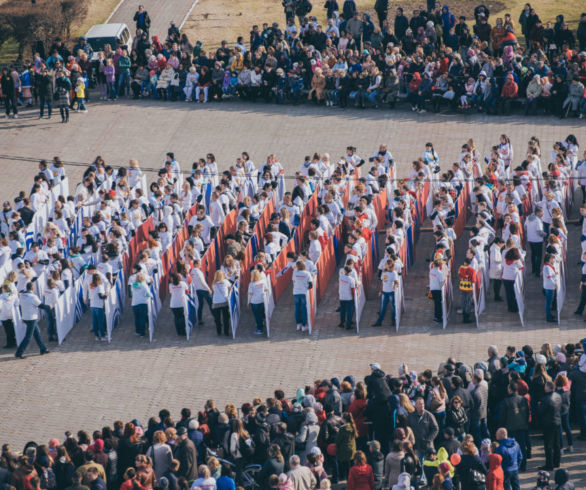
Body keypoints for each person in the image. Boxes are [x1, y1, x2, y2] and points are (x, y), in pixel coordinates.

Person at [15, 282, 50, 359]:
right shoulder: (33, 297)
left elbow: (19, 304)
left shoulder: (22, 295)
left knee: (37, 333)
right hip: (31, 318)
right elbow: (41, 305)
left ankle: (43, 349)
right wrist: (49, 306)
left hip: (25, 317)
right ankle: (19, 352)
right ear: (32, 288)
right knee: (28, 337)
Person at [539, 381, 562, 471]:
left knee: (548, 445)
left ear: (548, 388)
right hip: (557, 421)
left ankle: (549, 464)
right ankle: (557, 462)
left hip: (548, 423)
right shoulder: (558, 396)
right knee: (557, 443)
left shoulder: (545, 399)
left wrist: (539, 406)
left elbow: (540, 412)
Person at [292, 260, 312, 333]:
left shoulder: (294, 272)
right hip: (303, 293)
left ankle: (298, 324)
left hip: (296, 292)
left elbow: (293, 281)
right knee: (304, 309)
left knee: (297, 308)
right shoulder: (307, 273)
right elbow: (310, 285)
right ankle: (304, 325)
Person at [88, 273, 108, 341]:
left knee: (95, 321)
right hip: (99, 306)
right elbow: (101, 296)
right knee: (100, 322)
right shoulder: (99, 286)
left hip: (92, 305)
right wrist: (106, 295)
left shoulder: (91, 286)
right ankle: (102, 336)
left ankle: (96, 336)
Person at [211, 270, 231, 337]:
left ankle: (218, 331)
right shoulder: (225, 281)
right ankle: (226, 332)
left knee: (217, 318)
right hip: (224, 301)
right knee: (226, 317)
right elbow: (230, 287)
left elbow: (214, 291)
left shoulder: (214, 283)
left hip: (216, 302)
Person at [248, 269, 267, 335]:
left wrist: (248, 302)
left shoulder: (251, 284)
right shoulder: (263, 281)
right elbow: (266, 289)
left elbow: (250, 294)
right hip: (262, 300)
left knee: (257, 316)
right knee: (261, 314)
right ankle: (262, 323)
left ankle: (260, 329)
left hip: (254, 302)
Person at [338, 265, 356, 330]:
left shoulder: (340, 277)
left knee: (342, 310)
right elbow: (353, 289)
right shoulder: (351, 279)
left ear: (345, 271)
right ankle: (348, 324)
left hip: (342, 296)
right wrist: (354, 298)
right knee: (349, 311)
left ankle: (342, 323)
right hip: (348, 297)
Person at [429, 258, 445, 324]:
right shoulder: (440, 273)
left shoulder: (431, 271)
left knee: (436, 304)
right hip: (438, 290)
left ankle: (436, 317)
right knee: (438, 304)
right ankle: (438, 318)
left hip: (432, 289)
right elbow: (441, 283)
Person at [542, 254, 558, 323]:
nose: (554, 260)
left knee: (549, 302)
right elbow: (549, 277)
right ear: (550, 259)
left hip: (549, 286)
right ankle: (548, 317)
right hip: (549, 287)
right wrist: (555, 284)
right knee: (548, 303)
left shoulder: (548, 266)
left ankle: (549, 315)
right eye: (553, 259)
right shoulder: (547, 267)